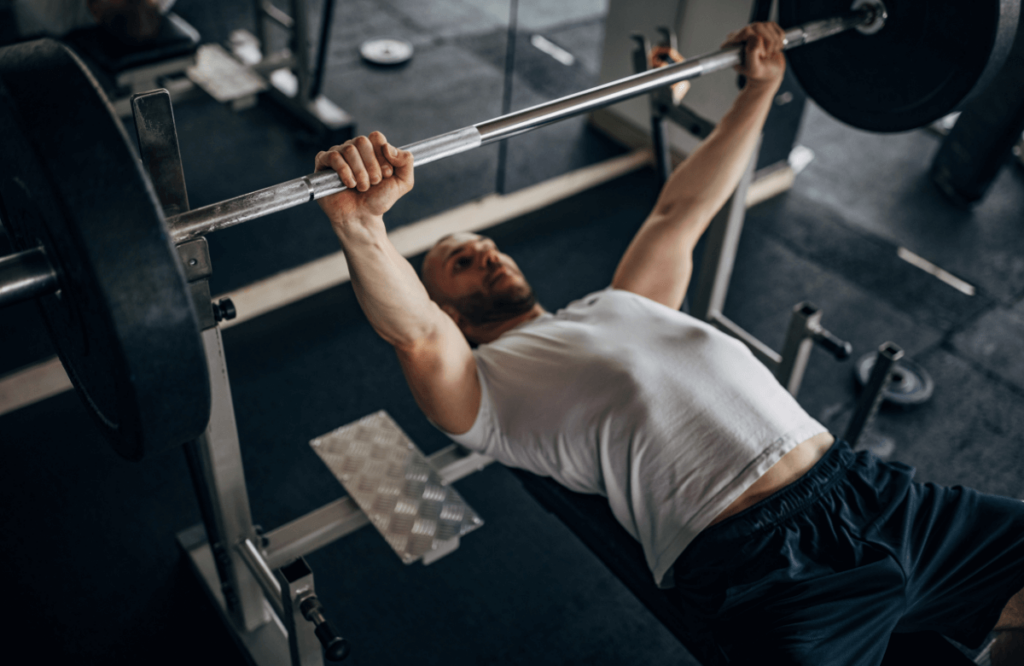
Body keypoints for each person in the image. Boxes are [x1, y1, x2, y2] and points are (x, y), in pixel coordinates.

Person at [314, 22, 1024, 666]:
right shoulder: (484, 389)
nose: (488, 256)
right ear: (449, 305)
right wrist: (360, 227)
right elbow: (413, 332)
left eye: (486, 245)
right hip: (767, 570)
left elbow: (683, 209)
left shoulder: (623, 300)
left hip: (872, 493)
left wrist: (760, 92)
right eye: (462, 263)